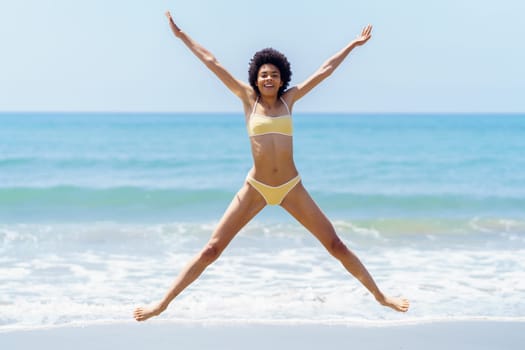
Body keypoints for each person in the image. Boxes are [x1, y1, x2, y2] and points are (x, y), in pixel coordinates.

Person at [134, 11, 409, 322]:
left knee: (335, 244)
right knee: (212, 249)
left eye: (275, 75)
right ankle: (163, 303)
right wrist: (182, 36)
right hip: (256, 187)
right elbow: (212, 62)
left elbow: (325, 70)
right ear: (256, 77)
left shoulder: (289, 100)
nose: (269, 79)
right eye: (264, 74)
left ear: (282, 79)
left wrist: (352, 45)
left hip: (291, 187)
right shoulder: (246, 98)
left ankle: (380, 296)